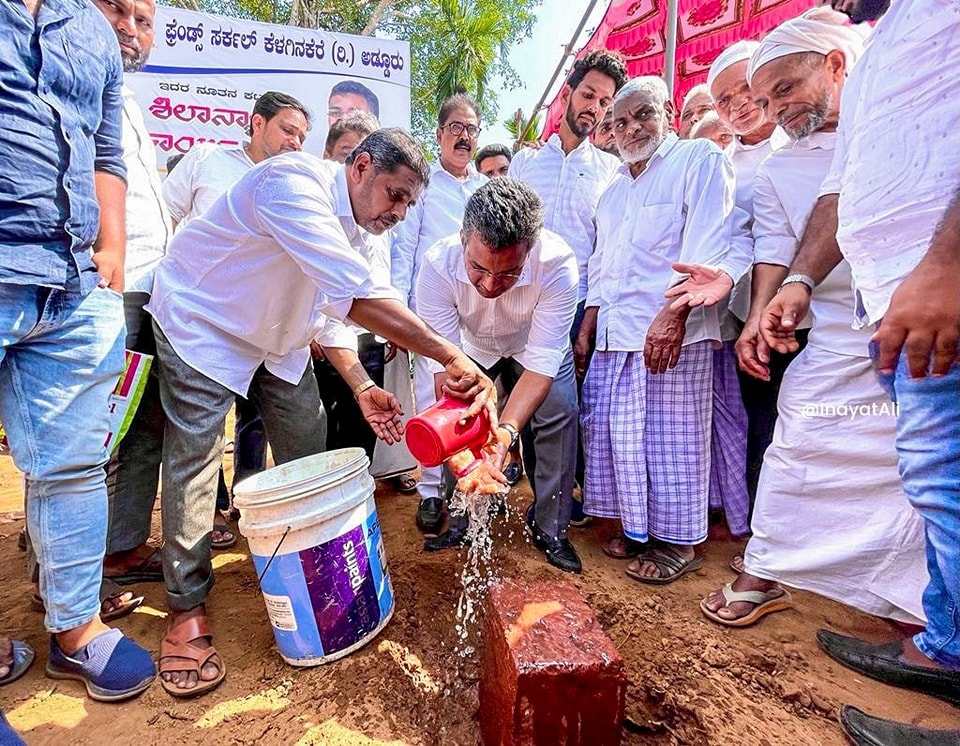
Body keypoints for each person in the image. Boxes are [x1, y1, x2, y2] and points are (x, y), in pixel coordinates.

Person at [147, 128, 495, 697]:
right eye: (394, 194)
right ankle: (187, 609)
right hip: (202, 320)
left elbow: (335, 313)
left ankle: (311, 574)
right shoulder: (293, 183)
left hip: (277, 340)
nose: (399, 212)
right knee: (196, 463)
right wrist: (452, 353)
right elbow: (355, 296)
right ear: (359, 167)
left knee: (309, 448)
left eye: (410, 202)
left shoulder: (363, 230)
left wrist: (360, 385)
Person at [759, 0, 960, 712]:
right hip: (898, 300)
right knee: (935, 478)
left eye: (786, 89)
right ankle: (945, 648)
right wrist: (800, 280)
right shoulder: (883, 47)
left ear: (828, 65)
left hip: (941, 288)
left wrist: (945, 265)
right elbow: (842, 195)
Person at [700, 7, 926, 628]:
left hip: (912, 313)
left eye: (785, 90)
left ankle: (910, 601)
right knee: (796, 444)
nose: (776, 110)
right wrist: (761, 316)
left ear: (834, 65)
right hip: (827, 325)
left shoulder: (893, 115)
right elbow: (778, 249)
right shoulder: (778, 167)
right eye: (766, 100)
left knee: (914, 469)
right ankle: (764, 570)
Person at [0, 0, 155, 701]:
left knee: (73, 465)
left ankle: (75, 632)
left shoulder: (89, 29)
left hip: (71, 282)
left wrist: (112, 247)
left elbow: (104, 149)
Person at [576, 76, 750, 584]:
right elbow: (603, 263)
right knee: (620, 437)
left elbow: (707, 247)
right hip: (615, 332)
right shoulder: (612, 191)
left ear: (669, 111)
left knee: (671, 444)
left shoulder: (699, 161)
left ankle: (680, 541)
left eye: (641, 115)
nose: (630, 128)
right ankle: (638, 525)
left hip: (673, 330)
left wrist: (673, 317)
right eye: (619, 122)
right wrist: (590, 323)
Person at [155, 90, 311, 551]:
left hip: (270, 334)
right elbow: (166, 213)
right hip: (205, 330)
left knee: (291, 428)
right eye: (288, 130)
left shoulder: (295, 183)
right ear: (256, 123)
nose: (295, 143)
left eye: (303, 136)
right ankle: (188, 587)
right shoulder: (207, 160)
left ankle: (287, 527)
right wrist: (175, 278)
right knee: (197, 449)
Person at [416, 179, 582, 572]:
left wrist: (505, 433)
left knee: (558, 414)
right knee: (458, 420)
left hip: (534, 347)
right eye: (477, 268)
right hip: (468, 352)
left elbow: (541, 366)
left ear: (530, 250)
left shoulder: (558, 263)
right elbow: (444, 369)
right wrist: (470, 420)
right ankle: (466, 520)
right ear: (462, 239)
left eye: (509, 273)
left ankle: (550, 528)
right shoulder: (437, 265)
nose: (491, 285)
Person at [508, 49, 629, 527]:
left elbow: (604, 250)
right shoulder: (525, 163)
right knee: (529, 402)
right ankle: (540, 495)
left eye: (605, 101)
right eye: (588, 95)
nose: (595, 108)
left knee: (570, 407)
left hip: (576, 305)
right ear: (567, 94)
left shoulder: (608, 171)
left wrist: (591, 317)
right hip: (521, 301)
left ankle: (562, 502)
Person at [82, 0, 171, 607]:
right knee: (89, 431)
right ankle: (69, 576)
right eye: (118, 10)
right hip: (104, 286)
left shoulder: (131, 105)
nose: (130, 30)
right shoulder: (67, 83)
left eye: (143, 21)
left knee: (144, 425)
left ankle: (124, 546)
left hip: (152, 286)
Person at [706, 40, 793, 560]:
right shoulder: (722, 163)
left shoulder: (798, 144)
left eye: (744, 89)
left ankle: (782, 541)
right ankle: (761, 535)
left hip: (810, 312)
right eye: (724, 99)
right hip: (740, 314)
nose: (737, 104)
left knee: (797, 425)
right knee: (756, 421)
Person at [390, 94, 489, 535]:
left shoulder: (485, 190)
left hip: (478, 311)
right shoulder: (424, 185)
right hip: (428, 311)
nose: (464, 136)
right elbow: (403, 249)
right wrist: (394, 315)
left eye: (471, 129)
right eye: (456, 128)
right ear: (439, 134)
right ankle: (431, 492)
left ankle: (469, 487)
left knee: (471, 400)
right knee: (433, 398)